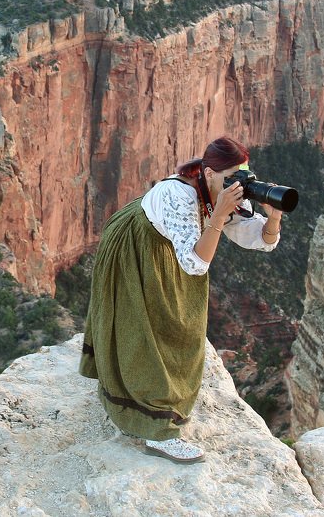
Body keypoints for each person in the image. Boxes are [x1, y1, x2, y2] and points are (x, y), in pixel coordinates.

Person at [78, 135, 284, 464]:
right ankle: (156, 429)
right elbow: (194, 263)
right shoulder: (177, 194)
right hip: (136, 244)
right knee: (146, 328)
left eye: (241, 175)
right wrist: (218, 216)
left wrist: (273, 215)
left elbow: (260, 240)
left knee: (179, 326)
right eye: (230, 177)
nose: (237, 184)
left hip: (170, 249)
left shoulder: (222, 190)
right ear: (209, 173)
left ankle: (154, 397)